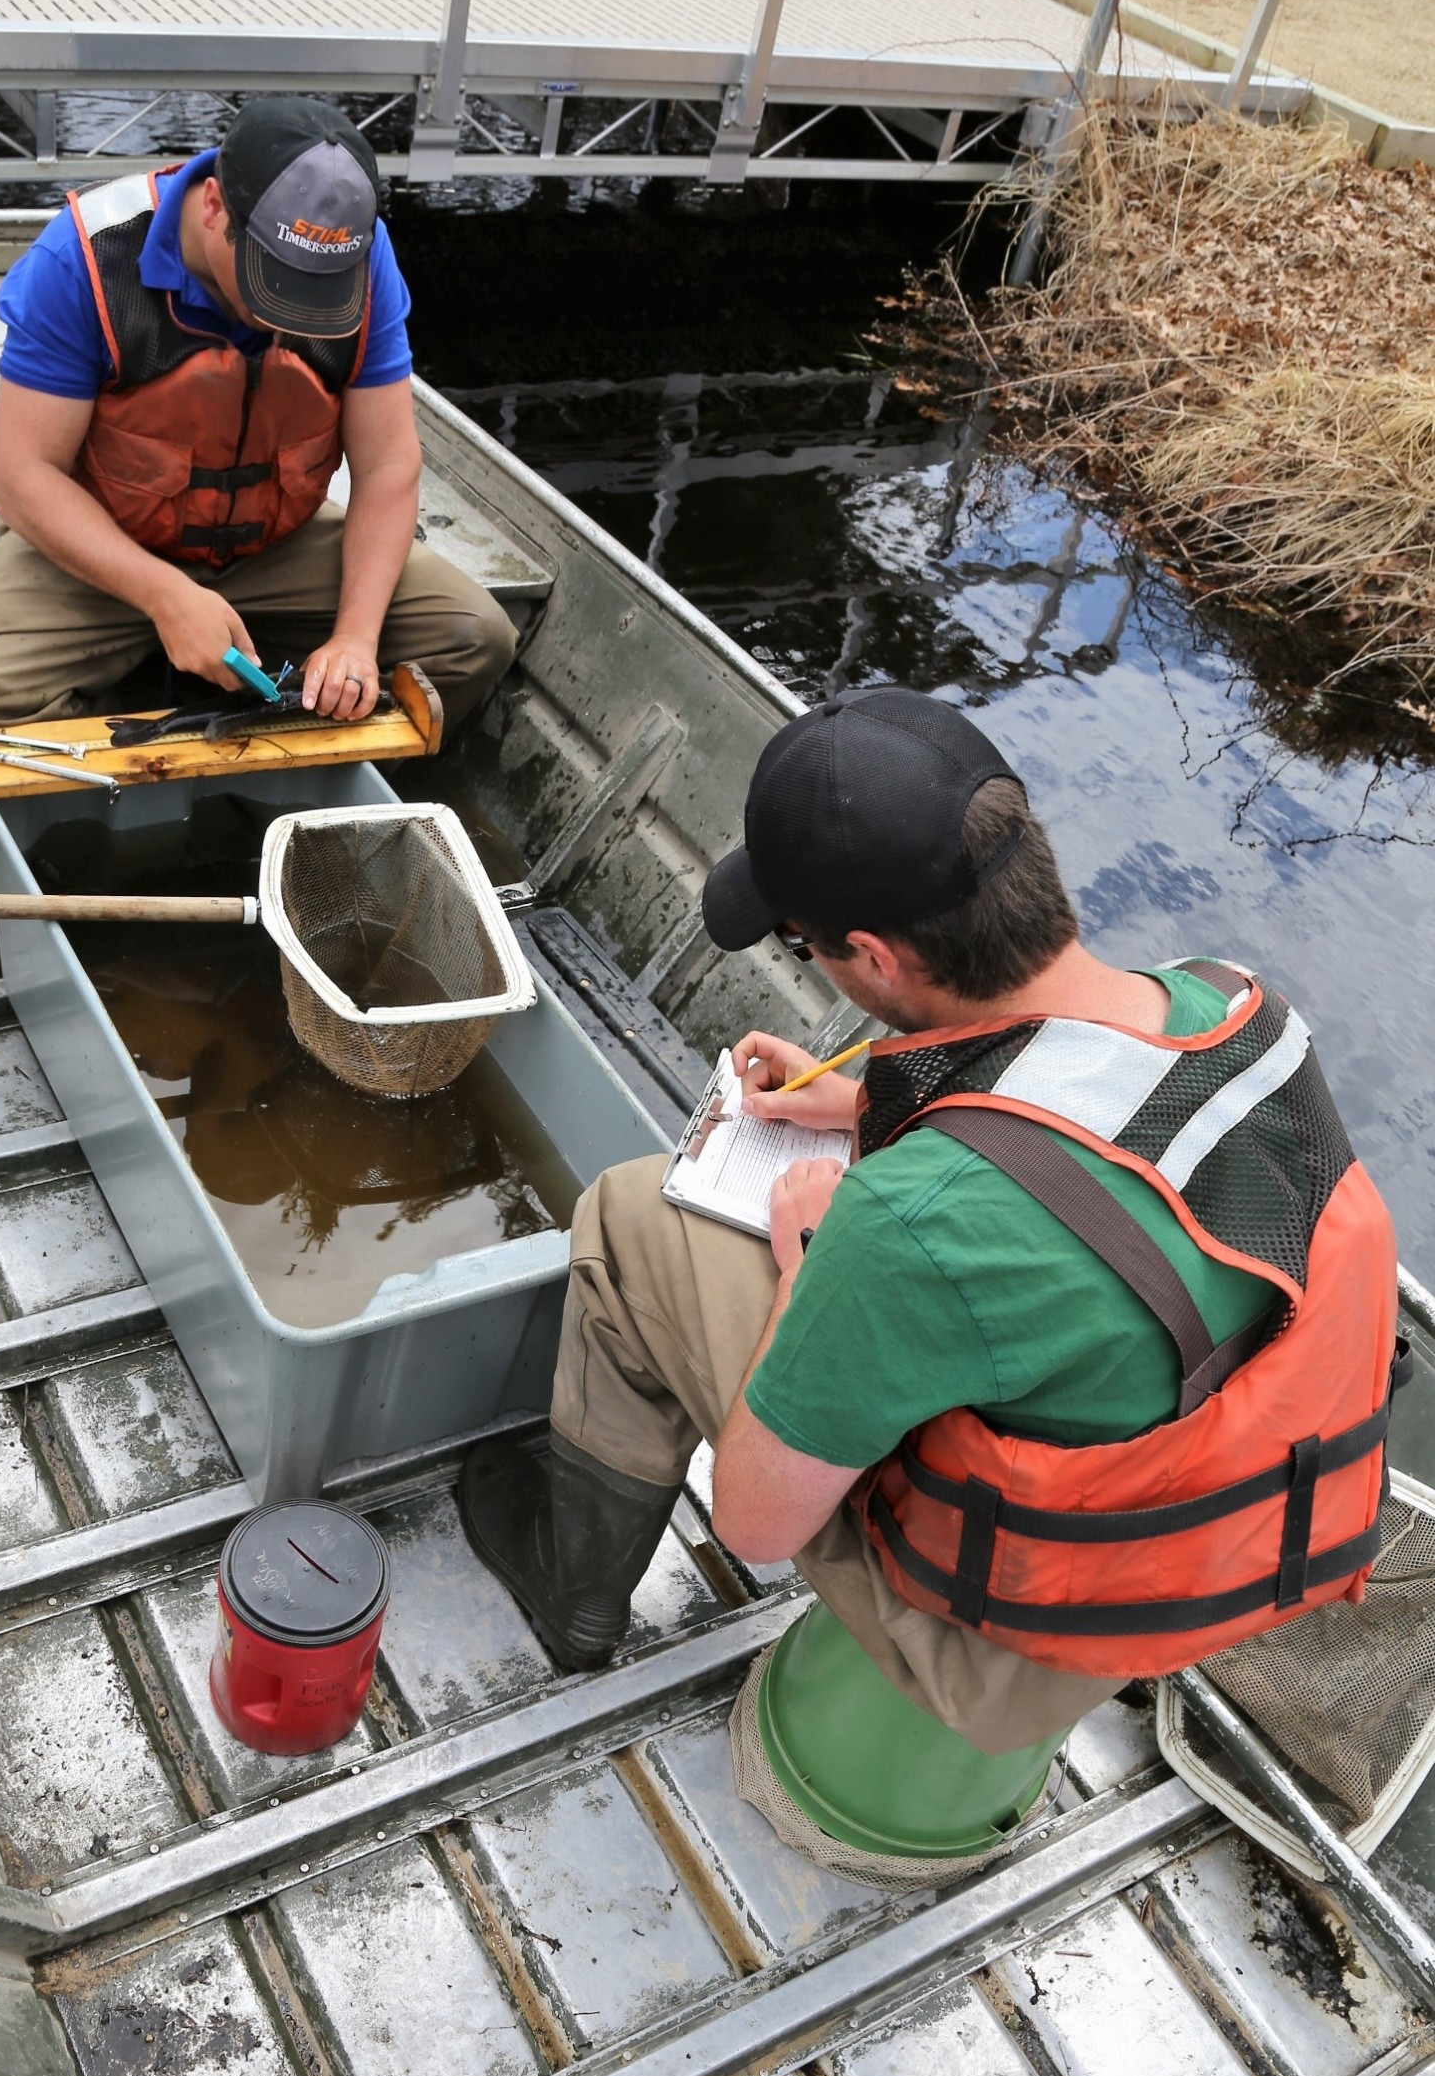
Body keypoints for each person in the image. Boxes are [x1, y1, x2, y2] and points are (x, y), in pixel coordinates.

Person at [458, 686, 1400, 1761]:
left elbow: (758, 1529)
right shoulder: (1229, 1001)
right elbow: (1095, 1128)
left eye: (806, 943)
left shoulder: (910, 1224)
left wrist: (814, 1257)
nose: (813, 960)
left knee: (630, 1215)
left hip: (1011, 1654)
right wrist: (855, 1101)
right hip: (1205, 1560)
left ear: (877, 956)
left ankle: (569, 1584)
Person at [0, 96, 517, 734]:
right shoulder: (83, 259)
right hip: (110, 546)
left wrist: (356, 641)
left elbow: (389, 463)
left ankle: (284, 737)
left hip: (275, 547)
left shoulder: (361, 258)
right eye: (273, 281)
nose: (290, 316)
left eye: (315, 293)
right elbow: (23, 477)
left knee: (473, 637)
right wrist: (164, 595)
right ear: (215, 205)